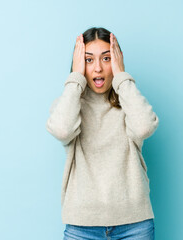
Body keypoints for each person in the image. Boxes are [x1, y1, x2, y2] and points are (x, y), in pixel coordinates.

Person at [46, 27, 159, 240]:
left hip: (134, 225)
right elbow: (61, 129)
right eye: (88, 60)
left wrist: (122, 77)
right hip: (82, 227)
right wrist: (75, 78)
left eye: (106, 58)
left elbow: (145, 127)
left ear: (116, 62)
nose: (98, 68)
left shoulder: (129, 102)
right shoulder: (68, 105)